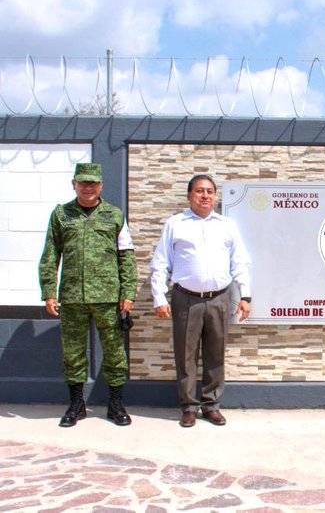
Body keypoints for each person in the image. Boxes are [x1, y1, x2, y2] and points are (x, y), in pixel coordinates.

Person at [39, 163, 137, 427]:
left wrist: (128, 292)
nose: (88, 187)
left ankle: (115, 406)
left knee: (115, 352)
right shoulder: (61, 214)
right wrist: (49, 291)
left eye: (93, 183)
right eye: (83, 182)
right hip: (71, 297)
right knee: (72, 353)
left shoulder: (114, 215)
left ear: (101, 186)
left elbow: (126, 256)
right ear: (74, 184)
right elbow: (50, 254)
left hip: (108, 297)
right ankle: (76, 405)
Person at [150, 174, 252, 427]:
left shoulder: (226, 225)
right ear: (189, 195)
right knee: (185, 354)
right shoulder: (176, 224)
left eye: (209, 191)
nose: (205, 195)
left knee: (215, 353)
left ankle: (211, 405)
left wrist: (245, 295)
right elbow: (161, 263)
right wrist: (158, 297)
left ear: (215, 196)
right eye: (199, 191)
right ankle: (188, 406)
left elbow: (240, 262)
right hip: (186, 298)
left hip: (220, 298)